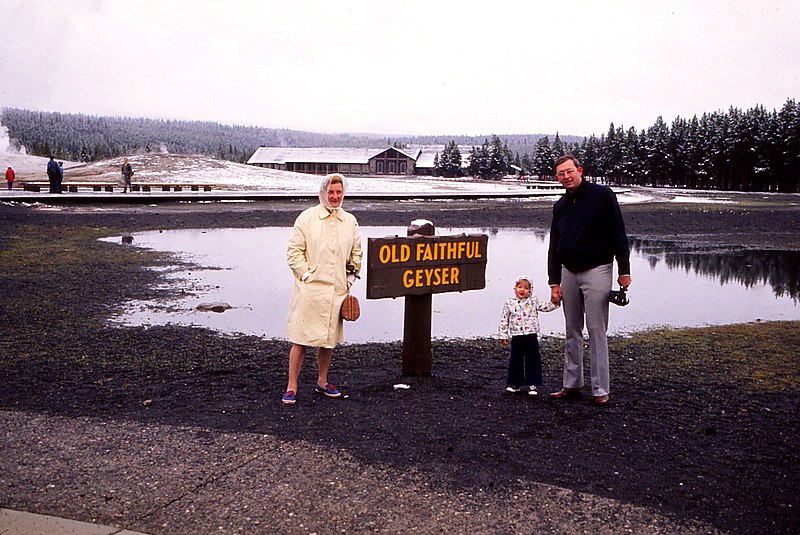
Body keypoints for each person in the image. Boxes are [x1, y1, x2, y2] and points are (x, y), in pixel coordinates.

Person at [547, 155, 631, 406]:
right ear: (557, 177)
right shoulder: (560, 205)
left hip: (598, 270)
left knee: (596, 331)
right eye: (561, 174)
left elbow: (618, 233)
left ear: (579, 170)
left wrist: (624, 270)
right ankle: (571, 384)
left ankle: (600, 388)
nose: (566, 177)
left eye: (569, 171)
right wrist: (554, 281)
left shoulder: (602, 195)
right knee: (572, 329)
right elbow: (554, 245)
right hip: (568, 272)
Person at [282, 173, 362, 405]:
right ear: (323, 193)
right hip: (310, 289)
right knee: (301, 337)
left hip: (337, 290)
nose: (335, 196)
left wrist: (349, 278)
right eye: (331, 192)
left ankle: (322, 382)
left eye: (338, 192)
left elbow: (356, 253)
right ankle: (292, 386)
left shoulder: (349, 221)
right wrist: (306, 274)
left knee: (328, 339)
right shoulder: (306, 218)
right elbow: (294, 252)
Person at [497, 275, 559, 396]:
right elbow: (504, 319)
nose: (522, 290)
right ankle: (515, 384)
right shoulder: (509, 303)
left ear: (530, 290)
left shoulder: (533, 301)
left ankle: (533, 384)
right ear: (515, 288)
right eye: (519, 287)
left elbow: (545, 307)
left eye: (525, 288)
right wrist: (503, 335)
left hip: (531, 335)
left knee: (533, 360)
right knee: (515, 361)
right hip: (517, 336)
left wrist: (555, 302)